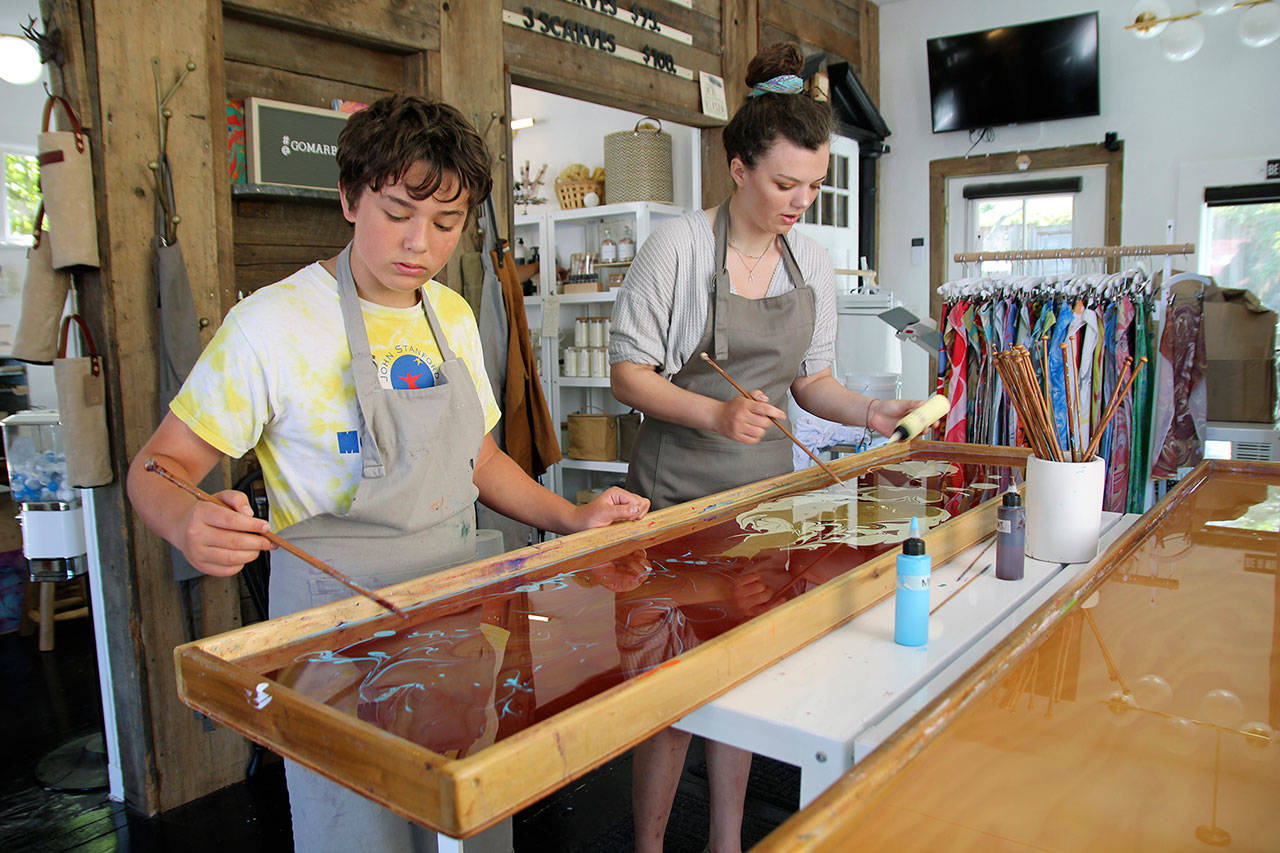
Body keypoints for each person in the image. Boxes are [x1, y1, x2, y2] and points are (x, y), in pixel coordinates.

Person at [126, 93, 649, 852]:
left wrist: (571, 515)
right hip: (335, 631)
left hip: (456, 612)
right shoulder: (272, 325)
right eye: (398, 212)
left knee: (467, 816)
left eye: (446, 223)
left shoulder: (453, 316)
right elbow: (158, 465)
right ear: (348, 196)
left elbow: (478, 458)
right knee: (357, 829)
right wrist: (185, 516)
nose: (421, 244)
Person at [609, 43, 941, 853]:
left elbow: (812, 384)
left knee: (749, 683)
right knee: (673, 699)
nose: (800, 201)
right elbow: (626, 374)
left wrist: (873, 410)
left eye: (814, 186)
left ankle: (729, 839)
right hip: (677, 506)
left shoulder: (812, 262)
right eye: (784, 184)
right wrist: (716, 417)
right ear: (738, 169)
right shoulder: (680, 249)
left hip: (764, 510)